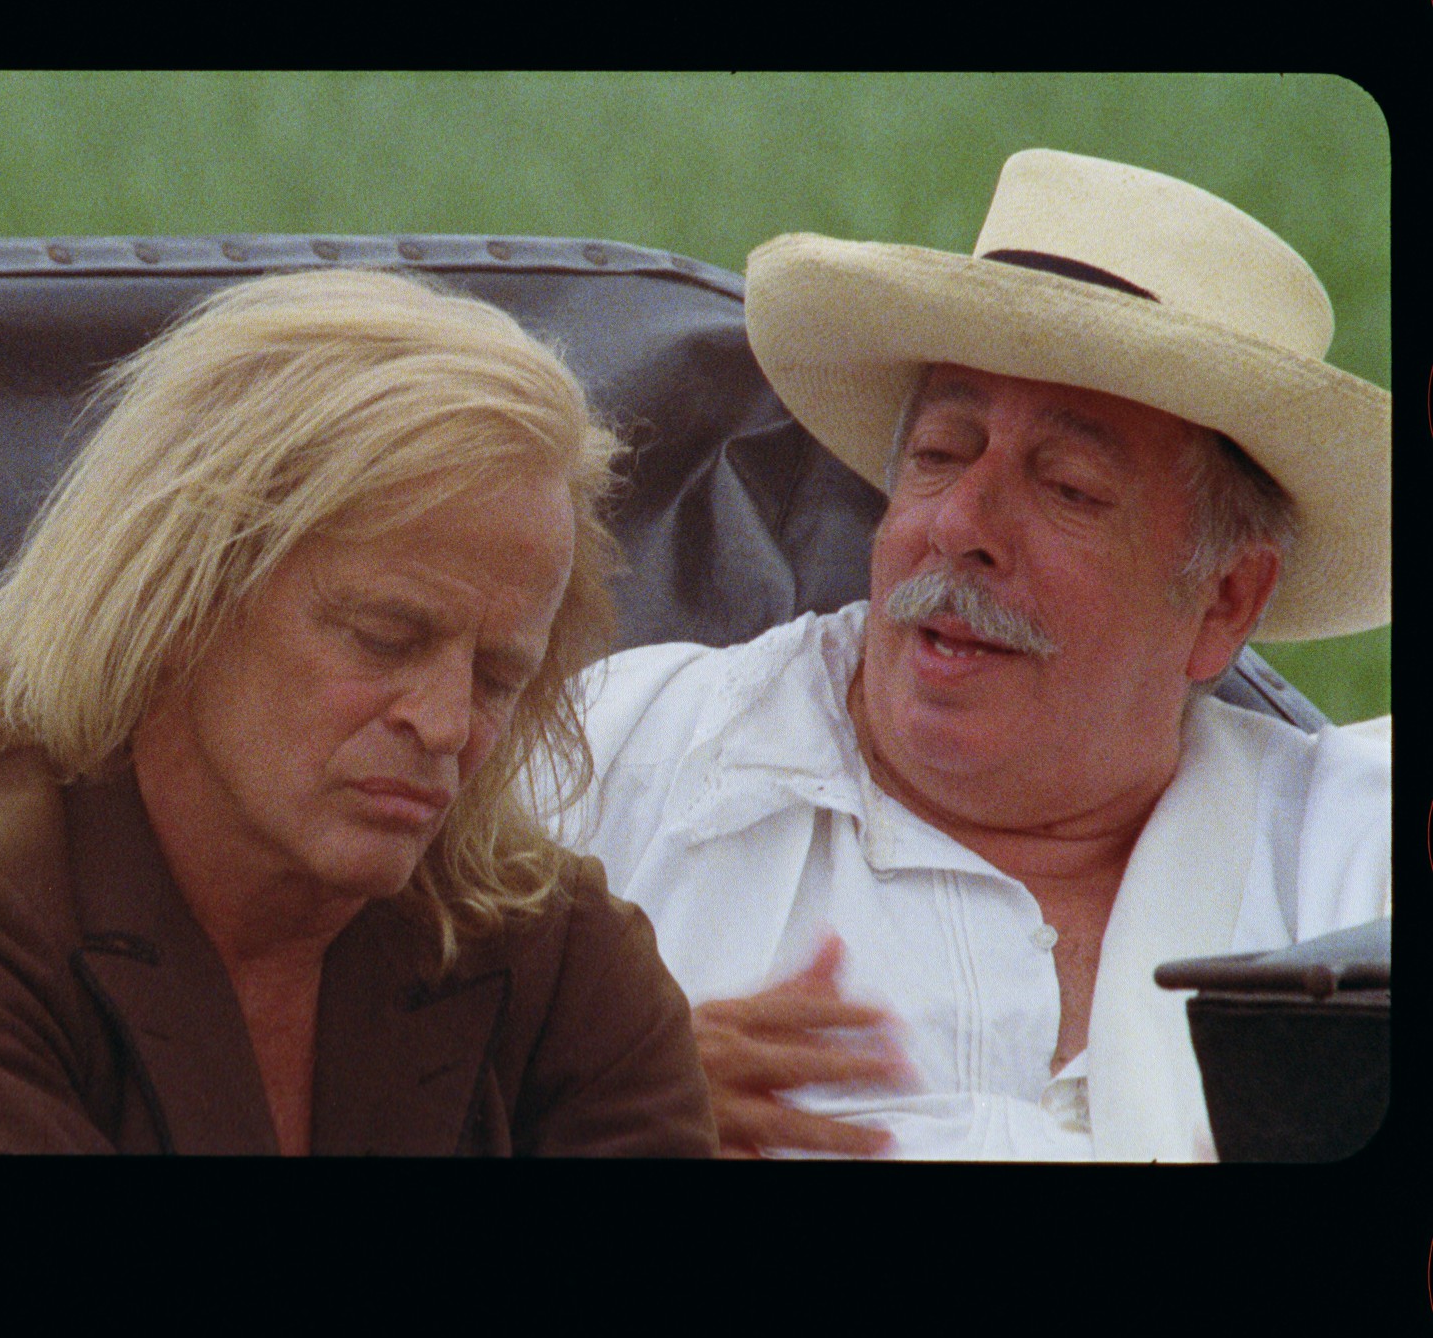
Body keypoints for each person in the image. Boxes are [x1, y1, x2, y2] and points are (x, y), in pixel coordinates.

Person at [0, 269, 717, 1155]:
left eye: (497, 676)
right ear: (182, 596)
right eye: (383, 638)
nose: (445, 725)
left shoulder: (559, 955)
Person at [559, 149, 1390, 1162]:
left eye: (1068, 488)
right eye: (939, 454)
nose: (958, 525)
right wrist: (571, 1103)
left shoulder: (1357, 862)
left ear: (1224, 600)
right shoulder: (608, 760)